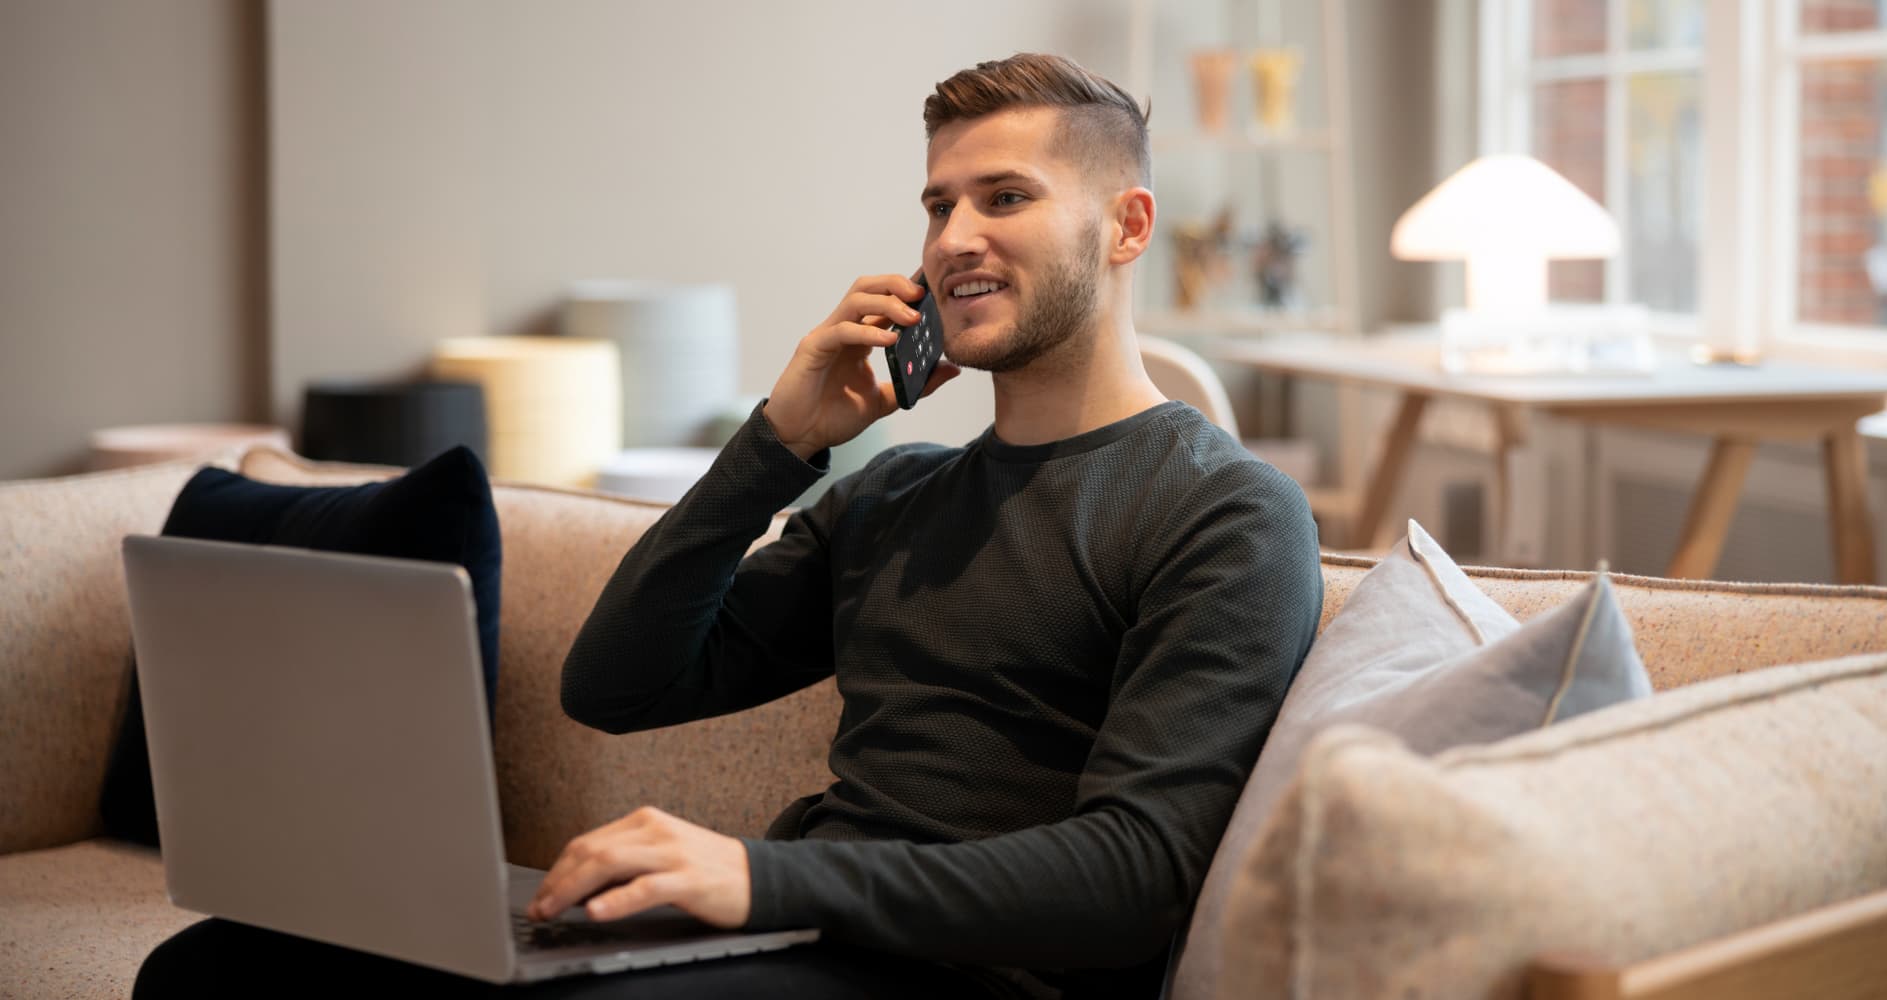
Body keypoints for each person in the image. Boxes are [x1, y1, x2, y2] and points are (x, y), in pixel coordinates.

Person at [135, 52, 1323, 999]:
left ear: (1125, 226)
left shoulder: (1224, 510)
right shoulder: (894, 494)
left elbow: (1133, 874)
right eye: (937, 203)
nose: (953, 236)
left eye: (1004, 197)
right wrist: (777, 443)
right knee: (222, 963)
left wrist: (758, 875)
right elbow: (618, 680)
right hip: (796, 939)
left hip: (969, 976)